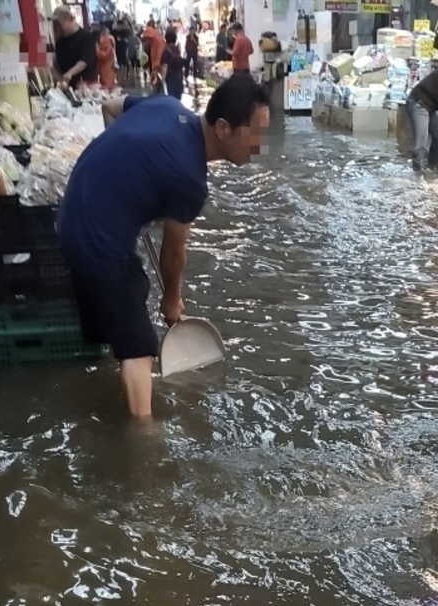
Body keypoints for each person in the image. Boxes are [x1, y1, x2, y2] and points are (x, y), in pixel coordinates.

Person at [58, 75, 271, 419]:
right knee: (139, 346)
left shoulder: (168, 106)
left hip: (72, 207)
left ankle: (108, 382)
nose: (259, 147)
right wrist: (172, 300)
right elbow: (172, 254)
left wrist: (126, 182)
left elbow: (110, 108)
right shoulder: (189, 178)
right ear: (222, 128)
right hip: (95, 238)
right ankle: (144, 445)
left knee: (119, 311)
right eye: (254, 135)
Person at [52, 7, 98, 88]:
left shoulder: (86, 37)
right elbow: (58, 64)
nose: (57, 27)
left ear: (69, 20)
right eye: (55, 24)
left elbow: (84, 61)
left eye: (59, 23)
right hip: (67, 87)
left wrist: (70, 73)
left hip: (86, 86)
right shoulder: (59, 42)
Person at [161, 28, 185, 99]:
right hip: (179, 77)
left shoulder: (166, 50)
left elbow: (164, 66)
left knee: (171, 99)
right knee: (178, 100)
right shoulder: (177, 49)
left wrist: (162, 80)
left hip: (171, 79)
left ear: (166, 38)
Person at [142, 20, 166, 86]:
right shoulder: (153, 43)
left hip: (162, 67)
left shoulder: (158, 42)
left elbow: (159, 56)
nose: (146, 42)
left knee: (160, 86)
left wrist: (155, 69)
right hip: (158, 68)